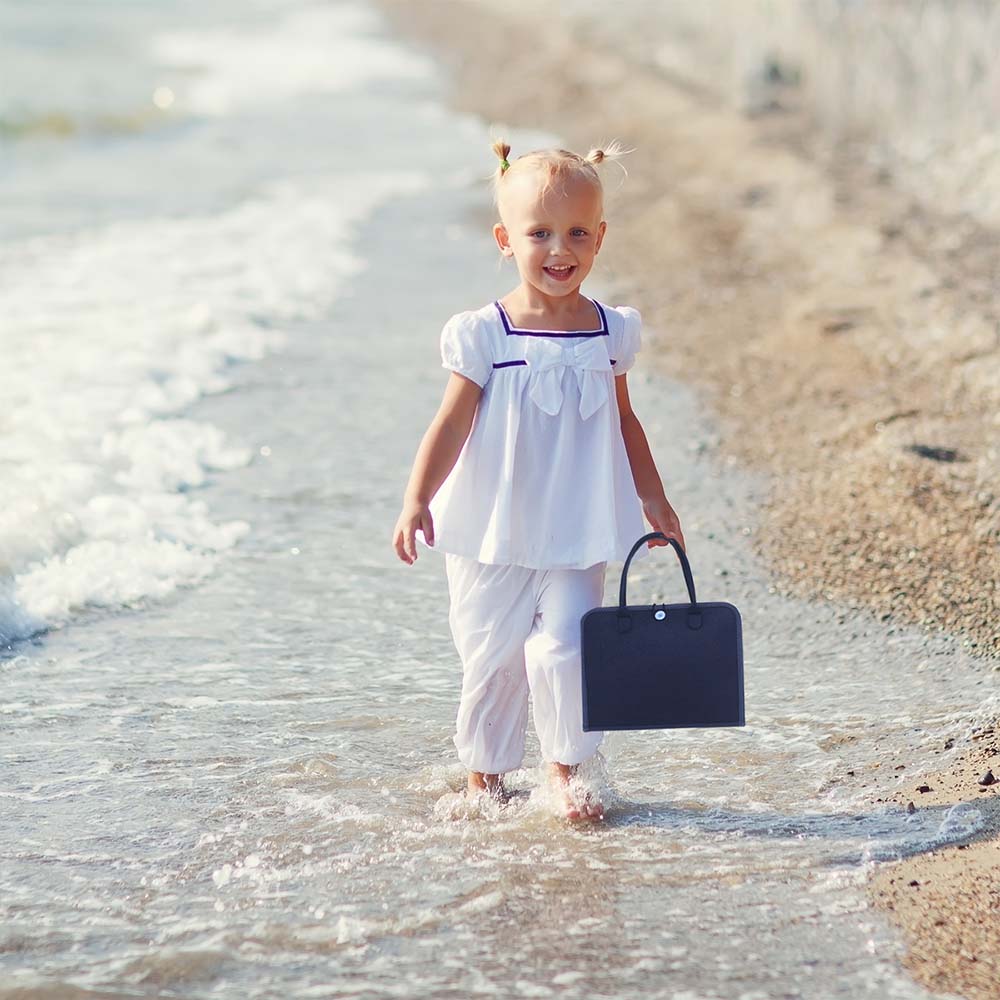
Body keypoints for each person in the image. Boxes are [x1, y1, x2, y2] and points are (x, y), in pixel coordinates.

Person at [392, 138, 684, 822]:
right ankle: (484, 781)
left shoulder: (610, 330)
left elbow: (626, 422)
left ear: (601, 236)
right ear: (504, 239)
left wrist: (653, 497)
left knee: (569, 647)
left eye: (578, 232)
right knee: (491, 655)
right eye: (540, 233)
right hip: (491, 527)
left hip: (577, 524)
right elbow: (450, 425)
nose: (561, 249)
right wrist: (416, 499)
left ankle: (562, 773)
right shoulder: (485, 333)